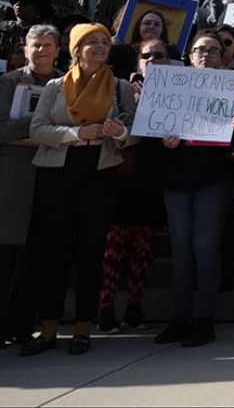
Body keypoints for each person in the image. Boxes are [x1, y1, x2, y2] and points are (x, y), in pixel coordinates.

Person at [22, 23, 136, 356]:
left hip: (99, 173)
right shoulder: (55, 87)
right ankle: (48, 327)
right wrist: (77, 134)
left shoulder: (120, 87)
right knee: (52, 250)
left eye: (104, 42)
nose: (100, 47)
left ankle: (84, 327)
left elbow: (134, 133)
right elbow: (37, 128)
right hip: (58, 173)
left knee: (91, 251)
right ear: (75, 49)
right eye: (92, 43)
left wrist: (118, 132)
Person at [0, 24, 61, 349]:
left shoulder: (64, 82)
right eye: (36, 46)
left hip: (47, 173)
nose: (42, 51)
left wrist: (38, 128)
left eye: (48, 45)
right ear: (26, 50)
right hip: (9, 174)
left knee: (35, 254)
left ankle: (23, 325)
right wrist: (39, 123)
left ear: (57, 50)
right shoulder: (9, 82)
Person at [152, 31, 234, 349]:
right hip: (176, 180)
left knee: (204, 249)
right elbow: (151, 134)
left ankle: (204, 319)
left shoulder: (232, 89)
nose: (207, 55)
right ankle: (180, 318)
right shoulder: (169, 85)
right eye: (201, 49)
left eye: (214, 51)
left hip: (212, 180)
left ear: (222, 57)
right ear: (189, 55)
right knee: (181, 253)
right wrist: (165, 142)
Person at [97, 39, 171, 334]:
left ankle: (134, 308)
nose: (152, 59)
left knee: (142, 251)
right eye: (146, 55)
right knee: (113, 252)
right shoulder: (122, 88)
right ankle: (105, 309)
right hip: (122, 175)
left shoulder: (178, 87)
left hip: (153, 180)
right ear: (138, 60)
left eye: (159, 55)